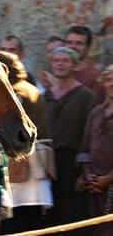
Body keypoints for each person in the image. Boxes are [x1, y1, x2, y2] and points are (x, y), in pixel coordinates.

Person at [0, 51, 54, 233]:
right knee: (34, 221)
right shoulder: (31, 88)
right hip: (37, 165)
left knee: (18, 225)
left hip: (22, 166)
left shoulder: (15, 93)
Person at [45, 47, 96, 235]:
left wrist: (84, 169)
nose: (60, 64)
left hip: (72, 163)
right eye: (57, 60)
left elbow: (90, 135)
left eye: (65, 61)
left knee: (72, 216)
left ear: (74, 65)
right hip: (50, 163)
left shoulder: (85, 96)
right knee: (52, 216)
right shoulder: (46, 95)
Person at [76, 65, 113, 236]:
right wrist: (89, 174)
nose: (112, 84)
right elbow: (84, 148)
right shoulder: (96, 114)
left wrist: (108, 178)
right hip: (95, 187)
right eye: (109, 80)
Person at [65, 26, 104, 103]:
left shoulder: (96, 77)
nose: (73, 47)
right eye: (69, 42)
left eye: (79, 43)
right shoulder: (59, 72)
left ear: (88, 48)